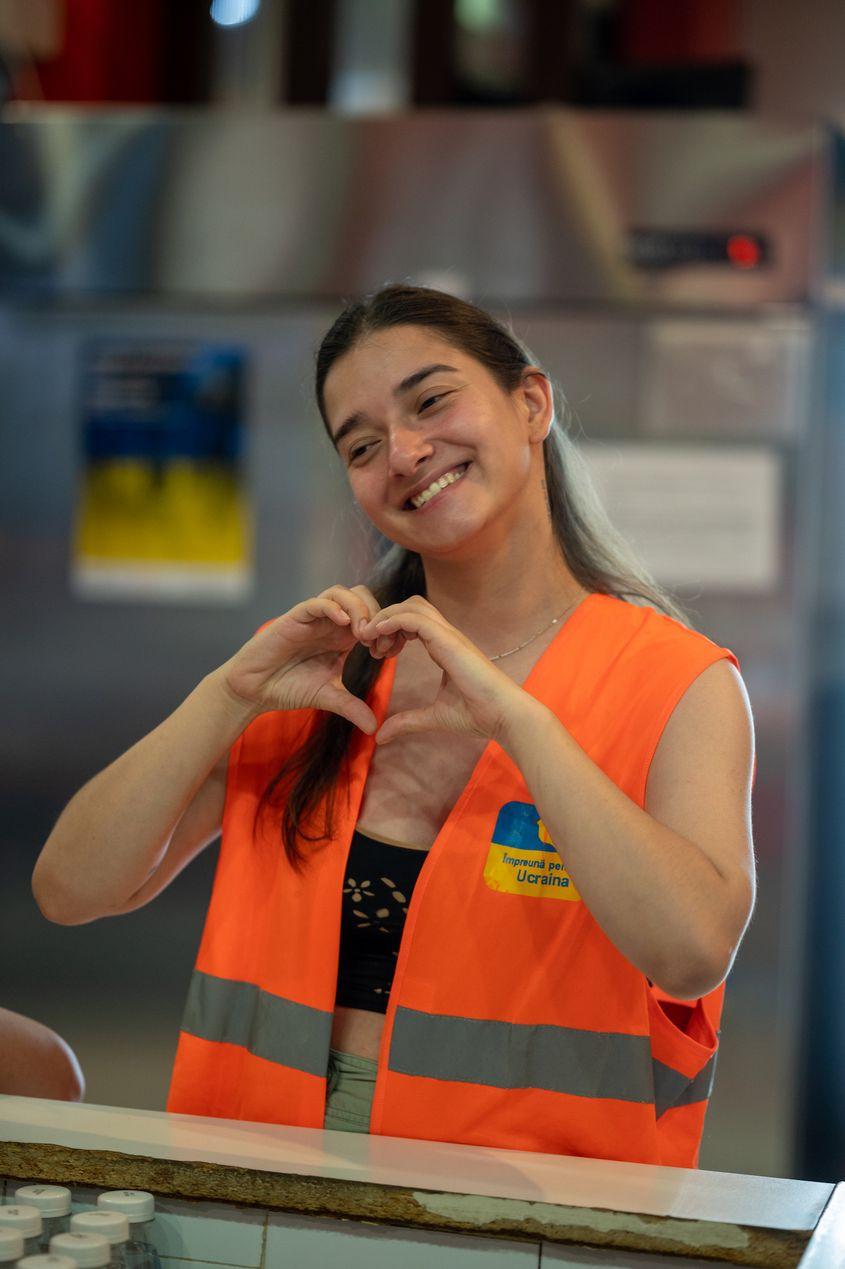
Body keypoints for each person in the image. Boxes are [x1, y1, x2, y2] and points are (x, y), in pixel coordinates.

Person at [34, 285, 756, 1168]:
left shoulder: (678, 680)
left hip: (533, 1210)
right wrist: (223, 697)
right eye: (362, 445)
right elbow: (70, 890)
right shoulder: (315, 670)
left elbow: (691, 951)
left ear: (530, 404)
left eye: (431, 401)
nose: (406, 454)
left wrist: (518, 721)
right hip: (254, 1183)